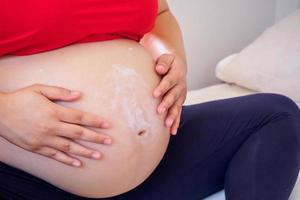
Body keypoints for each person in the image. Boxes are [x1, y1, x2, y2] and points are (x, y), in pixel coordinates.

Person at [0, 0, 299, 199]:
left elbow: (160, 14)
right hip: (22, 178)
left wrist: (173, 58)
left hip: (148, 174)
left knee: (275, 116)